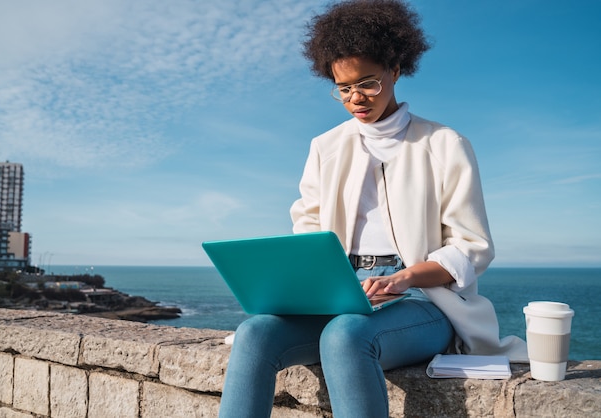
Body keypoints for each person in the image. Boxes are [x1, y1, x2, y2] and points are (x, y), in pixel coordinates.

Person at [218, 1, 526, 417]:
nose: (355, 98)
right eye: (343, 88)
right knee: (254, 333)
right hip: (340, 292)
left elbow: (472, 246)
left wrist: (404, 277)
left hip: (423, 299)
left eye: (368, 83)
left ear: (395, 70)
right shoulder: (325, 147)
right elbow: (307, 232)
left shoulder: (444, 144)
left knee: (346, 336)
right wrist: (309, 281)